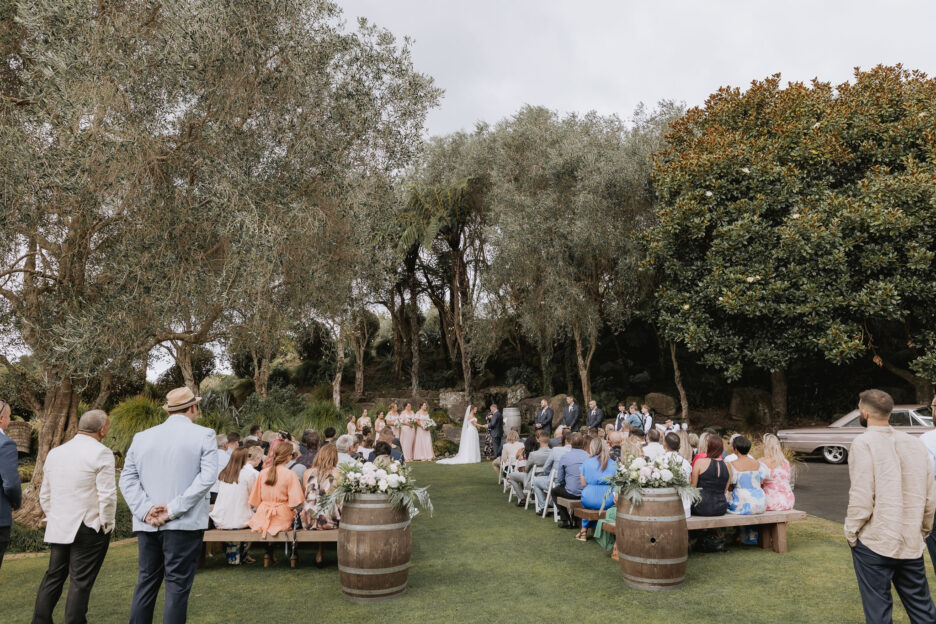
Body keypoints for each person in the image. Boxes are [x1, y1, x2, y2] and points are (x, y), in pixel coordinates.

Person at [119, 387, 218, 624]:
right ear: (193, 408)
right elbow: (206, 478)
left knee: (146, 582)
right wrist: (172, 510)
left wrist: (145, 510)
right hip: (182, 524)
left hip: (148, 524)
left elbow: (127, 478)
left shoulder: (142, 437)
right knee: (177, 586)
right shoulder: (204, 434)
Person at [846, 389, 936, 624]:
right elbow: (930, 494)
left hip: (876, 540)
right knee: (922, 609)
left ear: (864, 412)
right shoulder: (915, 443)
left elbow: (862, 495)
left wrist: (851, 531)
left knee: (878, 611)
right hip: (910, 539)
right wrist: (924, 529)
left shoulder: (863, 442)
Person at [32, 409, 116, 624]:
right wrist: (105, 523)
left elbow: (45, 494)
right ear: (102, 429)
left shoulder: (55, 452)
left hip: (59, 524)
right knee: (80, 582)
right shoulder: (102, 452)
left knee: (53, 577)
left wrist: (55, 516)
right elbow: (107, 495)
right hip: (88, 526)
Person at [248, 443, 303, 566]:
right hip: (282, 515)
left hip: (262, 515)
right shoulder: (290, 474)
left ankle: (268, 552)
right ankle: (294, 554)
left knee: (272, 524)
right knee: (296, 520)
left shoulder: (263, 473)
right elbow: (296, 501)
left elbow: (255, 500)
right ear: (288, 457)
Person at [210, 447, 261, 566]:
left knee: (236, 521)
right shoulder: (249, 474)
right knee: (254, 519)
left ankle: (234, 556)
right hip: (241, 519)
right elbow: (253, 497)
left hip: (221, 518)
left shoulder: (223, 473)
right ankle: (241, 555)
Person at [300, 443, 342, 567]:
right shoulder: (338, 473)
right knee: (330, 510)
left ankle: (320, 552)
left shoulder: (308, 473)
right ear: (334, 458)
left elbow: (305, 494)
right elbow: (339, 499)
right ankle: (334, 553)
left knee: (318, 509)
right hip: (329, 521)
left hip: (308, 520)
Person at [726, 435, 769, 543]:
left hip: (742, 503)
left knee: (727, 500)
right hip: (760, 502)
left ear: (735, 449)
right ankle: (749, 537)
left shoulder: (731, 465)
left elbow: (730, 484)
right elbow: (763, 478)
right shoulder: (759, 464)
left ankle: (735, 535)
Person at [577, 437, 617, 541]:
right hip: (608, 499)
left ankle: (583, 532)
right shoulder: (613, 463)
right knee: (598, 505)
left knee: (589, 506)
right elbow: (616, 484)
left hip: (588, 497)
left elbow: (583, 484)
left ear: (592, 448)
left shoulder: (586, 462)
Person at [0, 398, 22, 569]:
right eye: (9, 417)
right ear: (1, 418)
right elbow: (11, 484)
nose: (9, 420)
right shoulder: (5, 444)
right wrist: (16, 501)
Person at [552, 433, 588, 528]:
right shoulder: (589, 456)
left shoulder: (565, 457)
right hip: (586, 491)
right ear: (583, 443)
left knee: (554, 491)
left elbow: (560, 478)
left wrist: (566, 483)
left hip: (571, 491)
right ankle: (575, 519)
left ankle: (566, 520)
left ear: (571, 443)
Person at [532, 428, 573, 513]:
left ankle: (543, 507)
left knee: (535, 481)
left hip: (554, 482)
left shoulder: (556, 450)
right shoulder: (577, 452)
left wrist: (549, 474)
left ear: (565, 441)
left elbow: (546, 467)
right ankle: (551, 503)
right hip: (569, 484)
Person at [691, 435, 730, 517]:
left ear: (708, 447)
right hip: (721, 507)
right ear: (721, 449)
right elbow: (725, 490)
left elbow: (693, 488)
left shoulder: (699, 462)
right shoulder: (727, 465)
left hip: (701, 506)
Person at [508, 431, 551, 504]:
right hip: (548, 479)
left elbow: (527, 469)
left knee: (511, 476)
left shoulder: (533, 454)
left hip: (532, 479)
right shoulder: (553, 452)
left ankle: (522, 499)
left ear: (539, 440)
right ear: (549, 440)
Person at [760, 434, 795, 511]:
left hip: (771, 501)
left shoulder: (762, 461)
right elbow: (787, 481)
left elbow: (757, 482)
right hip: (788, 500)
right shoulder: (785, 462)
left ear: (765, 446)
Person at [662, 432, 693, 518]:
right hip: (685, 508)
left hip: (666, 509)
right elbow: (689, 482)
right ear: (679, 446)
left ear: (664, 444)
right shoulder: (686, 463)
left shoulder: (660, 460)